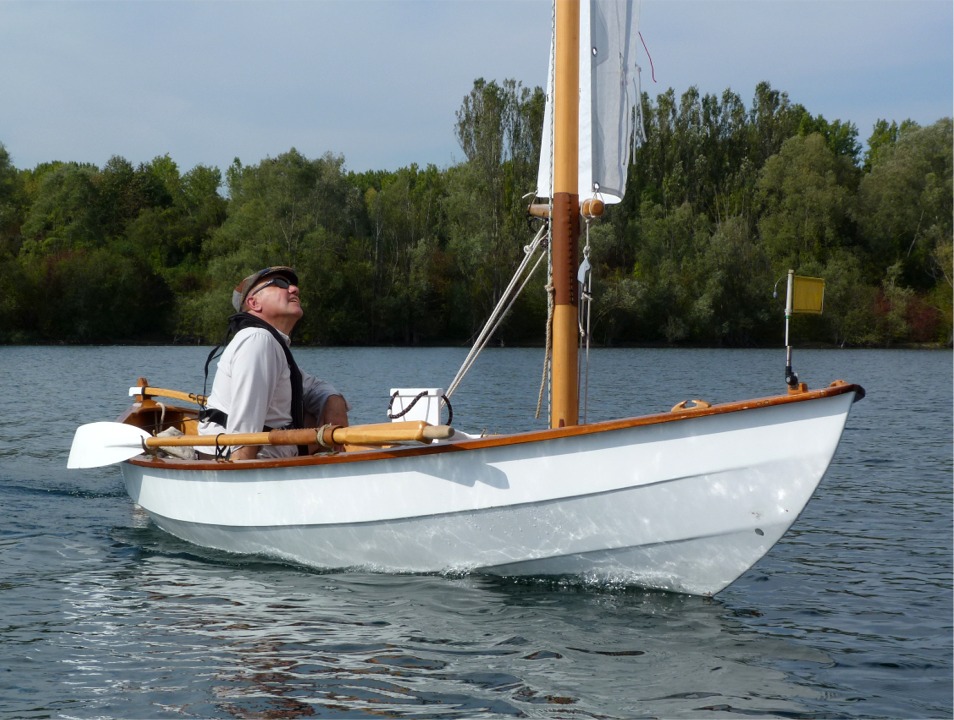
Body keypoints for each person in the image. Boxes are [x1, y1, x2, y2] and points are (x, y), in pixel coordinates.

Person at [198, 266, 349, 460]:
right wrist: (239, 482)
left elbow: (315, 388)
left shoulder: (272, 344)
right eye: (280, 284)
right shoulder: (258, 340)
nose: (294, 289)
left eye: (292, 285)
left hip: (272, 462)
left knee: (311, 411)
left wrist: (333, 401)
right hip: (236, 465)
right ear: (254, 302)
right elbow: (243, 439)